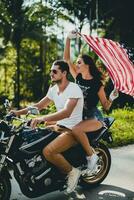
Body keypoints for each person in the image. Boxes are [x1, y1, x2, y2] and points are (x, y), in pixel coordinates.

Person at [11, 60, 84, 194]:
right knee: (32, 139)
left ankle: (73, 172)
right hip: (57, 127)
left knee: (48, 151)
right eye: (51, 71)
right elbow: (38, 106)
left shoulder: (73, 88)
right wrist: (17, 112)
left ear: (64, 73)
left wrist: (42, 118)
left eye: (54, 71)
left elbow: (66, 112)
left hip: (72, 130)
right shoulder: (54, 89)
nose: (51, 73)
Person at [63, 30, 119, 173]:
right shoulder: (78, 77)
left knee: (76, 130)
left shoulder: (97, 84)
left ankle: (91, 156)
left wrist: (112, 97)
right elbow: (67, 60)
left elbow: (106, 106)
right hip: (79, 115)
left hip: (94, 117)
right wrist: (68, 38)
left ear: (87, 65)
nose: (76, 64)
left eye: (79, 62)